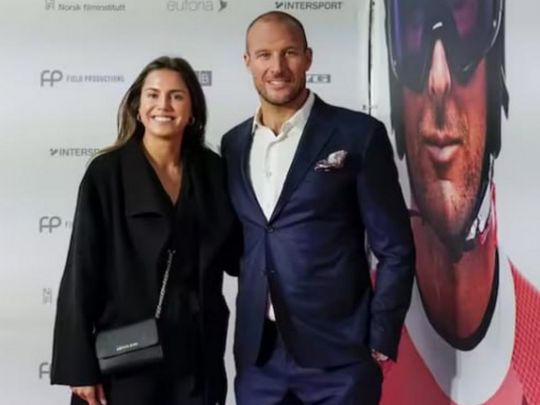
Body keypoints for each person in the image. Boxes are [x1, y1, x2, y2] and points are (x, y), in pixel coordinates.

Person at [221, 11, 415, 405]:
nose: (277, 67)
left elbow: (395, 249)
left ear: (308, 58)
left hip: (340, 358)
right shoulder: (233, 145)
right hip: (259, 360)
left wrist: (380, 339)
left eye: (289, 53)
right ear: (247, 62)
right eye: (264, 55)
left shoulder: (358, 135)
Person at [50, 56, 238, 405]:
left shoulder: (213, 171)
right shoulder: (107, 173)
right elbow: (81, 272)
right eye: (152, 95)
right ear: (138, 108)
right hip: (126, 357)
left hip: (196, 357)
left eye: (176, 96)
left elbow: (236, 252)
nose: (163, 105)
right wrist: (80, 368)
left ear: (192, 110)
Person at [381, 0, 540, 404]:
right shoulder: (348, 344)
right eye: (413, 29)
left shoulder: (535, 345)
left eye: (465, 27)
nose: (438, 79)